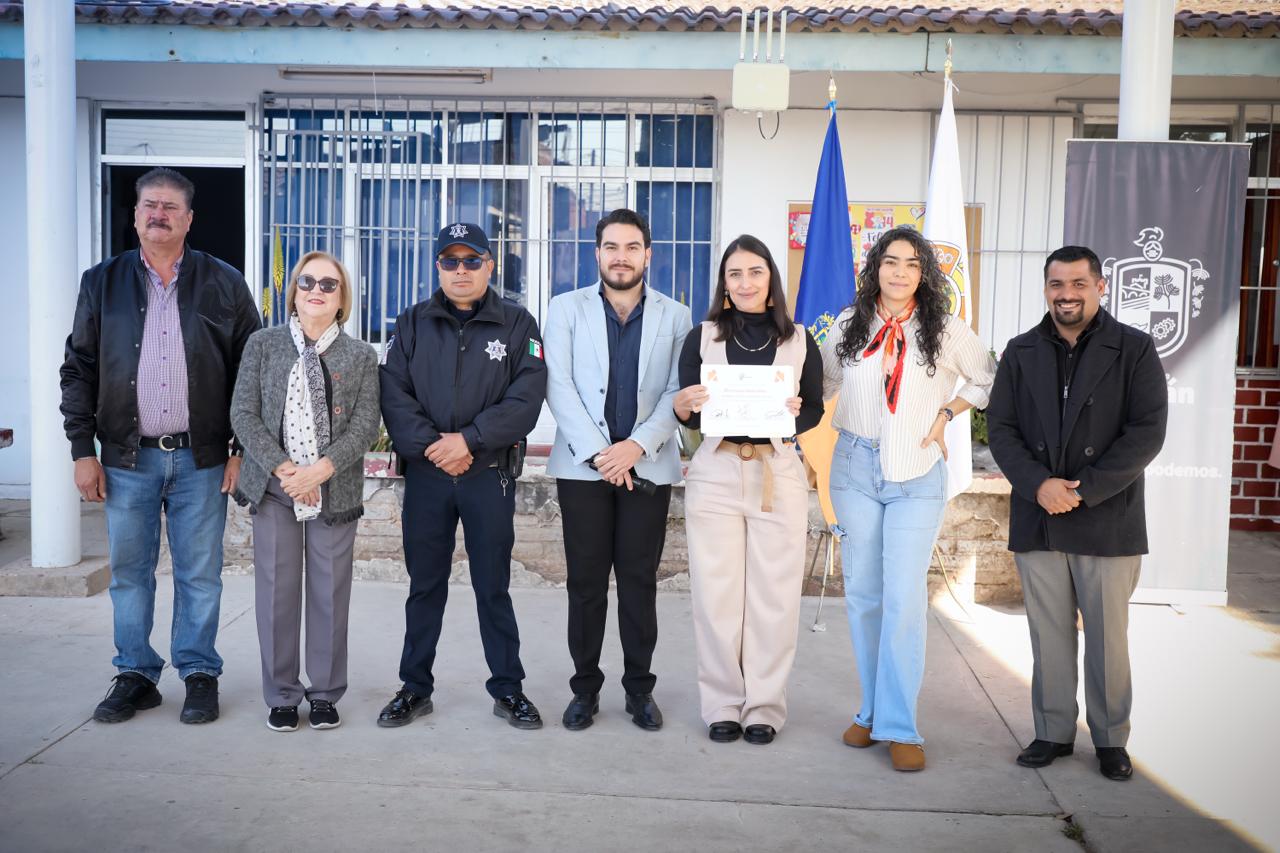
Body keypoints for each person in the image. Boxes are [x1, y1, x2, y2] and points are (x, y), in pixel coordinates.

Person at [60, 167, 260, 724]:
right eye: (150, 204)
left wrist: (241, 448)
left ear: (189, 219)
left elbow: (253, 371)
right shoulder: (101, 283)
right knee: (130, 573)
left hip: (203, 458)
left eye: (171, 206)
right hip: (128, 457)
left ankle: (198, 672)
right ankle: (135, 674)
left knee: (200, 573)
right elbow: (78, 367)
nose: (159, 214)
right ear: (135, 215)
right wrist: (82, 449)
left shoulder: (225, 282)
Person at [986, 245, 1168, 781]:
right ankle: (1052, 732)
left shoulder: (1134, 348)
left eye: (1078, 284)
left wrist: (1083, 490)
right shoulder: (1020, 351)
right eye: (1057, 285)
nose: (1066, 294)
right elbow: (1002, 429)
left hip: (1107, 516)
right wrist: (1038, 484)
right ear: (1046, 289)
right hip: (1039, 513)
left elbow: (1147, 432)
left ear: (1100, 286)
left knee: (1108, 638)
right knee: (1049, 635)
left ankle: (1110, 740)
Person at [821, 225, 996, 772]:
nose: (900, 272)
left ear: (925, 274)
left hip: (916, 473)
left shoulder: (945, 328)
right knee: (864, 595)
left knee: (902, 598)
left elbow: (986, 378)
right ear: (875, 267)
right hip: (853, 468)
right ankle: (871, 711)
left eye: (912, 264)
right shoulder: (849, 324)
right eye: (891, 261)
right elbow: (820, 385)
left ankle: (900, 726)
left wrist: (946, 413)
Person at [378, 222, 549, 730]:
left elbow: (526, 399)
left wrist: (468, 441)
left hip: (487, 476)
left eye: (471, 260)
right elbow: (394, 395)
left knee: (493, 586)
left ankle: (508, 689)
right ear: (438, 267)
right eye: (450, 261)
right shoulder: (411, 323)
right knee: (424, 586)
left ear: (489, 265)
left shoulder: (518, 325)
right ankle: (414, 688)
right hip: (428, 477)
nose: (461, 270)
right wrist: (437, 448)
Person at [544, 209, 692, 732]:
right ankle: (584, 689)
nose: (621, 257)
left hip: (646, 468)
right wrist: (601, 455)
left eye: (632, 247)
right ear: (597, 253)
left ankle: (639, 689)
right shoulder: (564, 309)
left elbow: (677, 390)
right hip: (583, 471)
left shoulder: (676, 315)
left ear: (648, 254)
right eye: (611, 246)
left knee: (638, 583)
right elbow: (558, 384)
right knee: (585, 584)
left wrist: (635, 447)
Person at [673, 234, 824, 746]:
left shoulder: (799, 340)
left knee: (774, 596)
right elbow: (688, 412)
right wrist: (684, 404)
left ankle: (763, 706)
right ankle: (721, 703)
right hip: (716, 470)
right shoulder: (702, 337)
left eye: (755, 272)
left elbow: (814, 407)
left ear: (771, 279)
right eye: (734, 274)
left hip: (776, 470)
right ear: (724, 283)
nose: (745, 282)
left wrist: (794, 414)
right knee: (716, 595)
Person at [230, 251, 381, 732]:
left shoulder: (361, 355)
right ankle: (281, 694)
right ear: (294, 291)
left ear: (342, 298)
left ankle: (325, 694)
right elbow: (243, 414)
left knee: (329, 594)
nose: (317, 290)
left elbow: (366, 424)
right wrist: (285, 469)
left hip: (333, 492)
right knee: (276, 593)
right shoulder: (263, 344)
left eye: (328, 284)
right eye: (308, 281)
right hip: (275, 488)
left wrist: (320, 471)